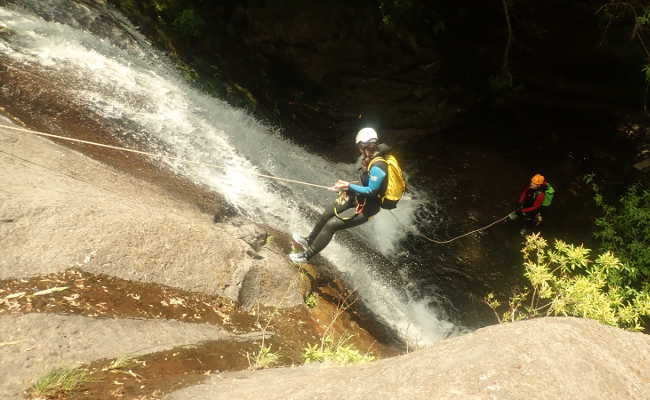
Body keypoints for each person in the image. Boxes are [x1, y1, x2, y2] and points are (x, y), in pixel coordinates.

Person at [289, 127, 391, 263]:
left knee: (331, 225)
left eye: (359, 146)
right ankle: (309, 240)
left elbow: (371, 190)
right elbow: (365, 182)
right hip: (356, 197)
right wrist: (346, 186)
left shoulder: (379, 165)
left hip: (367, 208)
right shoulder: (370, 157)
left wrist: (348, 186)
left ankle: (306, 256)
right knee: (328, 212)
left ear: (363, 145)